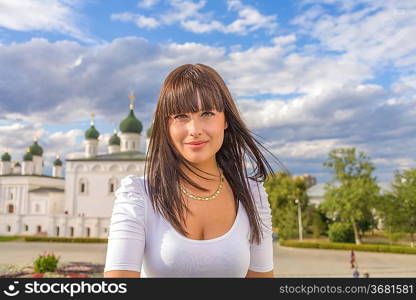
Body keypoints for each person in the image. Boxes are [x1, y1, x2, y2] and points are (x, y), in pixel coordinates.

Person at [103, 63, 279, 278]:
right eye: (181, 116)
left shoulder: (252, 194)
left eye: (207, 113)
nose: (195, 130)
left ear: (225, 120)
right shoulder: (139, 195)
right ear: (166, 125)